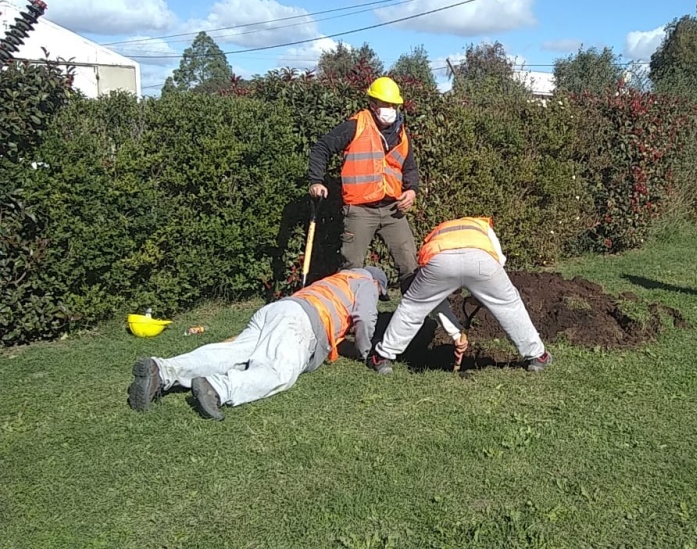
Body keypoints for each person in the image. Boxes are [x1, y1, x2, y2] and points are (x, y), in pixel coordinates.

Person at [127, 267, 391, 420]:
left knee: (233, 352)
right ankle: (218, 388)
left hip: (278, 310)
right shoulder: (366, 283)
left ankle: (162, 370)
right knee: (279, 372)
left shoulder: (338, 278)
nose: (377, 296)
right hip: (301, 322)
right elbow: (365, 320)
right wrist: (367, 352)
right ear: (378, 284)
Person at [367, 216, 554, 375]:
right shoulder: (483, 227)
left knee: (412, 306)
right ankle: (538, 356)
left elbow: (434, 302)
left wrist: (455, 331)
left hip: (441, 262)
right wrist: (482, 295)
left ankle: (382, 357)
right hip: (482, 262)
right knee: (509, 305)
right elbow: (499, 262)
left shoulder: (436, 234)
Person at [307, 76, 420, 293]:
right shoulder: (355, 126)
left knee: (410, 264)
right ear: (372, 104)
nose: (390, 109)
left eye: (393, 105)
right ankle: (347, 317)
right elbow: (322, 148)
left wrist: (412, 190)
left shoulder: (402, 133)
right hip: (360, 211)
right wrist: (316, 181)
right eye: (385, 104)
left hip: (392, 210)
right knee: (351, 267)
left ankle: (412, 318)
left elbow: (410, 168)